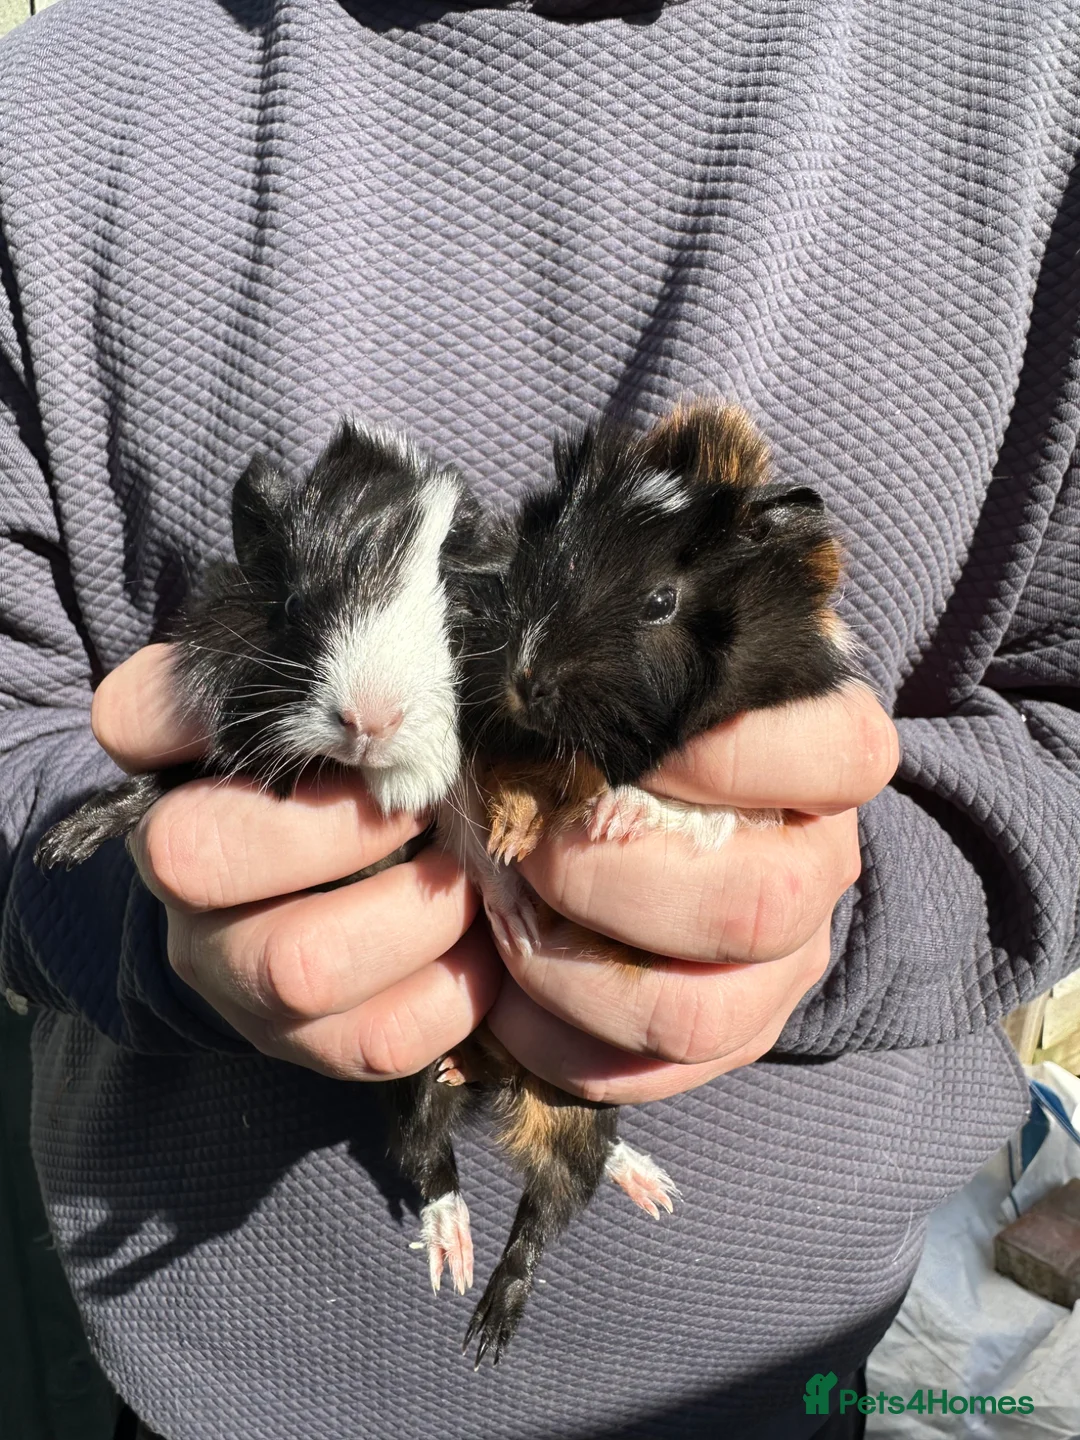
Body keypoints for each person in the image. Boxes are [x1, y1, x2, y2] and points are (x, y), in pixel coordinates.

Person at [0, 0, 1077, 1437]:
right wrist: (135, 887)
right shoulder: (55, 102)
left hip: (800, 1355)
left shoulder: (1037, 77)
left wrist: (850, 891)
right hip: (215, 1378)